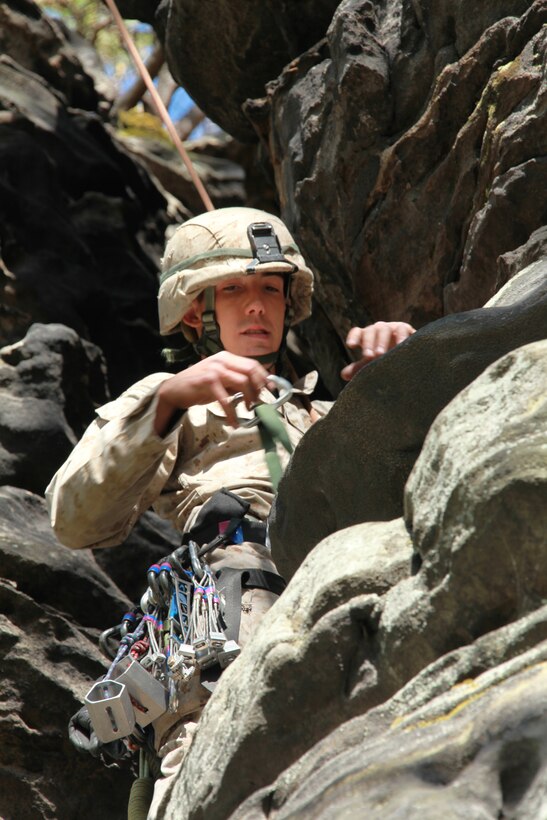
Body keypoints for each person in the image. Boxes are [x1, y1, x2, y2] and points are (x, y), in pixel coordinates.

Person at [46, 206, 414, 817]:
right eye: (235, 289)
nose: (255, 305)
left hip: (351, 596)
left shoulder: (321, 413)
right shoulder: (170, 402)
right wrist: (169, 401)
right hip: (233, 614)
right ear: (195, 311)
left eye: (270, 287)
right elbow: (73, 519)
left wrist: (404, 381)